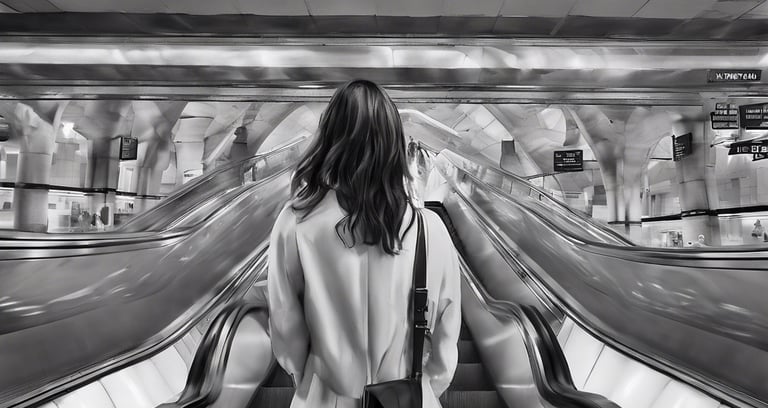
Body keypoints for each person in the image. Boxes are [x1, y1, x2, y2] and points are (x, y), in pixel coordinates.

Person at [268, 79, 461, 408]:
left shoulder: (296, 223)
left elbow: (286, 327)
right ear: (394, 144)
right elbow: (446, 333)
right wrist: (425, 388)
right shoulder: (430, 229)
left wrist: (311, 383)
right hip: (407, 397)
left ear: (329, 138)